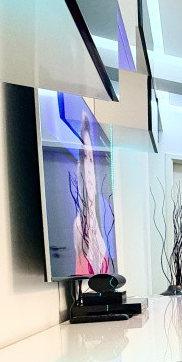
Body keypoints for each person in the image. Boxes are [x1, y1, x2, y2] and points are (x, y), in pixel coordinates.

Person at [73, 113, 110, 276]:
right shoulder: (79, 226)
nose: (89, 170)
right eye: (84, 158)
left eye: (91, 160)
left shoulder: (101, 222)